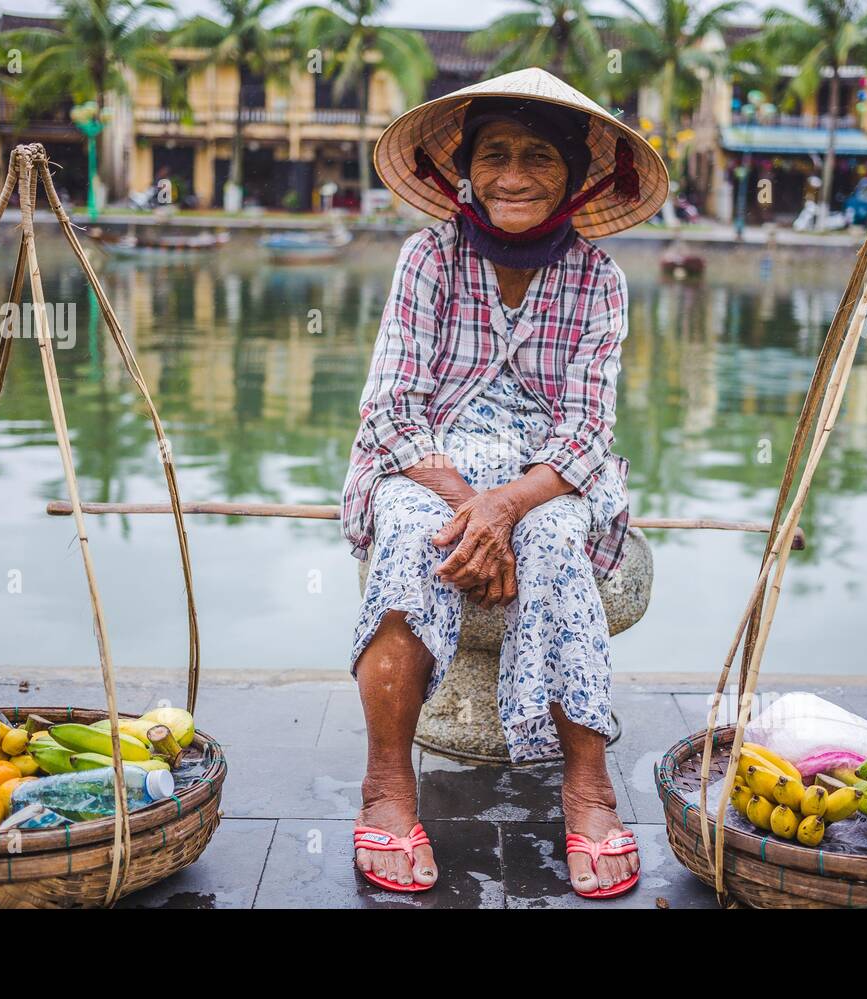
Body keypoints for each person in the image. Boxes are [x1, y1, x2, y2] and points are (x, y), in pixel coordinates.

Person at [340, 68, 667, 899]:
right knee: (419, 534)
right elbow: (391, 410)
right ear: (466, 169)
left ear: (574, 174)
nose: (512, 176)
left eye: (536, 158)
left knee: (556, 537)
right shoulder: (427, 259)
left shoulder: (600, 280)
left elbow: (588, 430)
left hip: (547, 475)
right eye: (493, 155)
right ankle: (386, 782)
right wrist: (470, 508)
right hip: (431, 463)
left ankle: (587, 785)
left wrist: (510, 505)